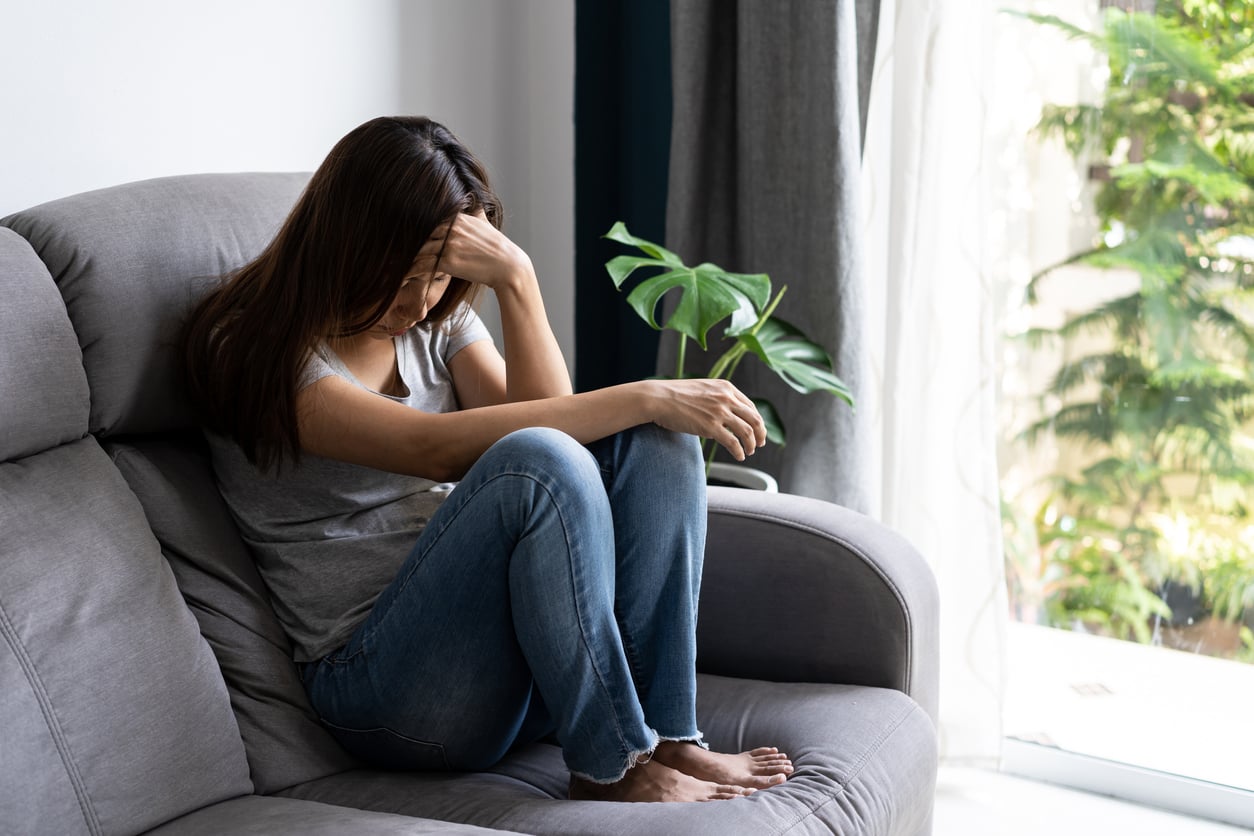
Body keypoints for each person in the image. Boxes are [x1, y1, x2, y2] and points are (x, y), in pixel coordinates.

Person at [181, 115, 793, 803]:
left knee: (658, 439)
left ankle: (668, 733)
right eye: (401, 276)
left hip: (514, 667)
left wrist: (517, 281)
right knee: (539, 457)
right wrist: (647, 390)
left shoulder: (434, 318)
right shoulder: (249, 347)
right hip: (389, 694)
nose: (418, 303)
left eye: (437, 277)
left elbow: (563, 431)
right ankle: (613, 767)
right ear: (344, 245)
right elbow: (435, 448)